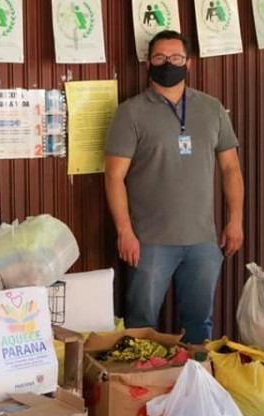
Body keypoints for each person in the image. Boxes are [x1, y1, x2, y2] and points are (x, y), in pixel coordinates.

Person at [104, 30, 244, 344]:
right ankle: (141, 391)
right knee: (140, 327)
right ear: (148, 63)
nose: (169, 63)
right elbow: (113, 176)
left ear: (188, 63)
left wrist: (235, 221)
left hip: (203, 243)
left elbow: (231, 168)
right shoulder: (131, 112)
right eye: (160, 58)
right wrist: (125, 231)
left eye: (176, 58)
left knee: (199, 326)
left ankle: (194, 387)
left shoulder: (211, 108)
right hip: (149, 244)